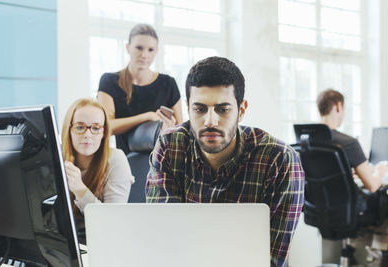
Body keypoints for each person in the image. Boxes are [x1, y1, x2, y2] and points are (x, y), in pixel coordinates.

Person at [146, 56, 305, 266]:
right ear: (188, 108)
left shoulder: (280, 160)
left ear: (242, 109)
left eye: (223, 109)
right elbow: (164, 239)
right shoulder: (169, 146)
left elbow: (271, 260)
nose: (210, 121)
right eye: (199, 109)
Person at [97, 23, 183, 155]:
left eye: (150, 50)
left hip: (163, 161)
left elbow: (180, 131)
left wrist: (169, 127)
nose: (144, 55)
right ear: (128, 48)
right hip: (126, 163)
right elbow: (105, 127)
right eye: (139, 48)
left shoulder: (168, 83)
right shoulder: (109, 81)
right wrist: (147, 116)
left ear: (156, 51)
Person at [61, 98, 134, 230]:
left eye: (95, 128)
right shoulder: (58, 157)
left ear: (104, 132)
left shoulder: (116, 159)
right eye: (80, 127)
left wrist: (79, 189)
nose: (88, 134)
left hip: (99, 241)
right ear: (69, 130)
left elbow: (112, 222)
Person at [317, 89, 388, 192]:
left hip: (315, 205)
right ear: (338, 106)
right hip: (351, 206)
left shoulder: (307, 141)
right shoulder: (349, 143)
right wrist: (379, 172)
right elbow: (372, 186)